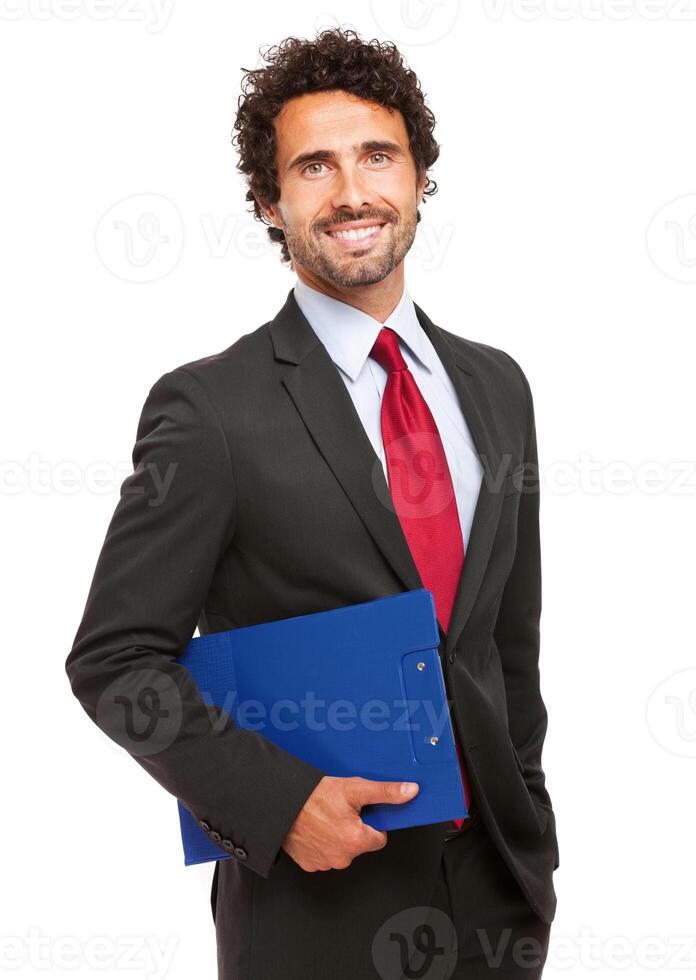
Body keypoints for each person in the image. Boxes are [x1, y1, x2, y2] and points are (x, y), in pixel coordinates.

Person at [65, 26, 559, 979]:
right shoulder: (210, 409)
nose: (352, 192)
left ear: (419, 178)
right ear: (269, 200)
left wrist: (532, 829)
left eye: (378, 155)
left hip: (499, 904)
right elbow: (115, 659)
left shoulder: (499, 387)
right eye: (313, 166)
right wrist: (276, 802)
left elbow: (508, 645)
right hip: (315, 913)